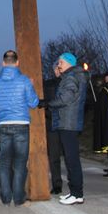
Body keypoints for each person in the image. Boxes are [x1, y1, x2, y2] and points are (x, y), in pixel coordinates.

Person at [0, 50, 39, 206]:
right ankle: (18, 198)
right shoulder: (24, 81)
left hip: (3, 125)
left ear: (3, 63)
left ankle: (5, 198)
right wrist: (32, 86)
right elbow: (33, 103)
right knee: (19, 163)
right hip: (21, 124)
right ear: (17, 62)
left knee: (4, 162)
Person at [40, 52, 87, 205]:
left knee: (72, 159)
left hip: (68, 122)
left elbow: (66, 98)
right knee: (69, 158)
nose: (58, 65)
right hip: (68, 121)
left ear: (68, 62)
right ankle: (74, 192)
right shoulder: (71, 76)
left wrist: (47, 103)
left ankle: (77, 193)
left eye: (60, 62)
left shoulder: (71, 77)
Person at [45, 62, 63, 194]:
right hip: (54, 124)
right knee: (54, 157)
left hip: (64, 124)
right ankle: (57, 184)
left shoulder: (71, 83)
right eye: (57, 68)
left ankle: (72, 184)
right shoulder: (48, 85)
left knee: (64, 156)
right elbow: (44, 103)